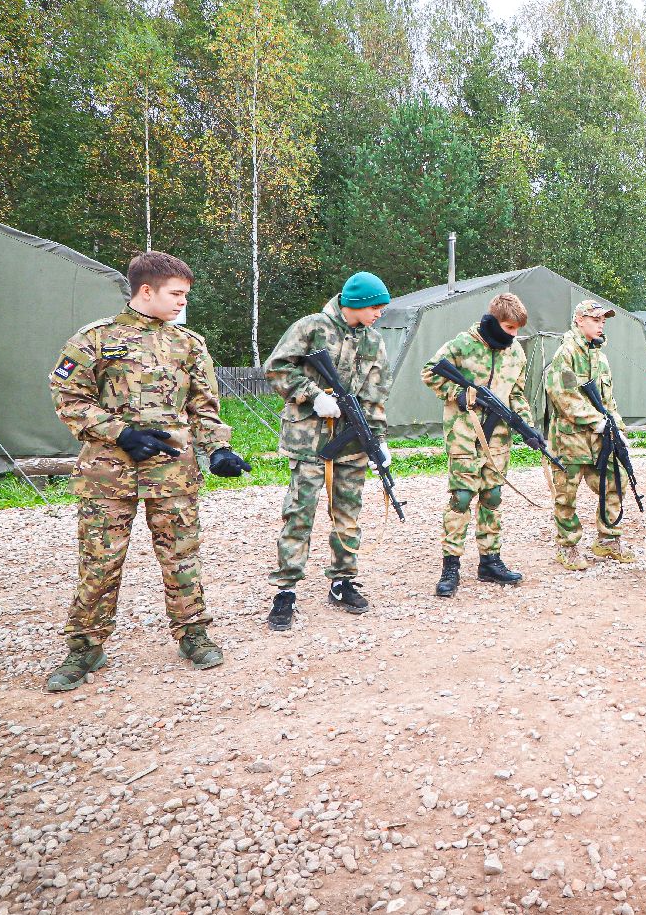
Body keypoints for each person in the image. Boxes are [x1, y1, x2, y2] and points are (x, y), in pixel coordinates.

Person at [45, 251, 251, 692]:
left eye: (185, 295)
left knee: (181, 557)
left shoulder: (189, 344)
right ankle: (85, 646)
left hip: (172, 473)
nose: (182, 302)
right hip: (107, 474)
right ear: (146, 290)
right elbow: (68, 396)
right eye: (176, 294)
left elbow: (203, 406)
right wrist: (119, 433)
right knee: (99, 562)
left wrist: (219, 450)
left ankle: (192, 634)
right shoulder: (95, 339)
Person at [262, 271, 392, 630]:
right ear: (357, 303)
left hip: (352, 441)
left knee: (348, 513)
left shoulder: (374, 341)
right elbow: (276, 367)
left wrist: (379, 439)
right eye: (376, 307)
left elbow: (376, 394)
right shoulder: (312, 327)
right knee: (299, 513)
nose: (379, 313)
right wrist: (313, 395)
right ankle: (286, 591)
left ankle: (342, 581)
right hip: (308, 439)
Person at [421, 292, 532, 597]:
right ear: (495, 321)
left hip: (498, 439)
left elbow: (516, 394)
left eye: (517, 329)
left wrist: (527, 426)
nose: (514, 335)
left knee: (492, 496)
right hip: (464, 434)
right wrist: (459, 395)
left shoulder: (516, 353)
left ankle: (490, 561)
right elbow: (429, 371)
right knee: (461, 497)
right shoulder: (463, 344)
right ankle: (451, 566)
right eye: (509, 328)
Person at [546, 299, 632, 569]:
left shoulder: (600, 357)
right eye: (595, 320)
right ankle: (567, 546)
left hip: (599, 439)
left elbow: (608, 401)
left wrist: (618, 429)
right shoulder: (566, 353)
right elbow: (564, 397)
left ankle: (608, 539)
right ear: (579, 321)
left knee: (616, 481)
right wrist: (598, 422)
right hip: (570, 438)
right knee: (566, 495)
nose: (600, 325)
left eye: (603, 321)